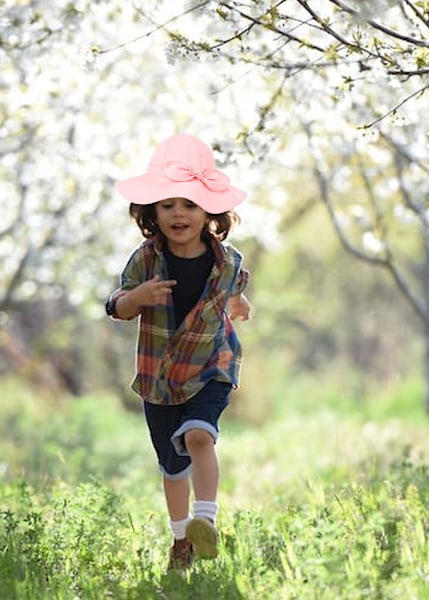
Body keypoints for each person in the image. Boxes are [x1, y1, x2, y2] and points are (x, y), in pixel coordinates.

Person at [105, 133, 251, 570]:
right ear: (152, 213)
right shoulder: (145, 262)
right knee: (172, 466)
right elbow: (116, 304)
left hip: (211, 365)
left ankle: (205, 520)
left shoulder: (228, 261)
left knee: (199, 436)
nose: (178, 214)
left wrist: (241, 304)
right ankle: (181, 539)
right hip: (160, 376)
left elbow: (237, 289)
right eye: (167, 205)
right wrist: (138, 298)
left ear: (210, 210)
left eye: (188, 204)